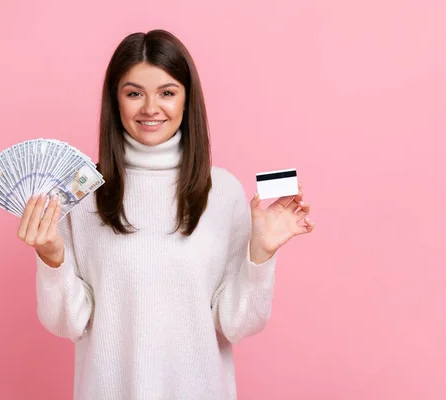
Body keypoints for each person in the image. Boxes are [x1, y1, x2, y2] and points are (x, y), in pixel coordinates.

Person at [17, 29, 314, 400]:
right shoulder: (80, 191)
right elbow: (67, 323)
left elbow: (236, 325)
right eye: (134, 93)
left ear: (187, 101)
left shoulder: (222, 192)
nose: (150, 108)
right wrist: (51, 259)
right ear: (116, 100)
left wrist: (261, 255)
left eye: (167, 92)